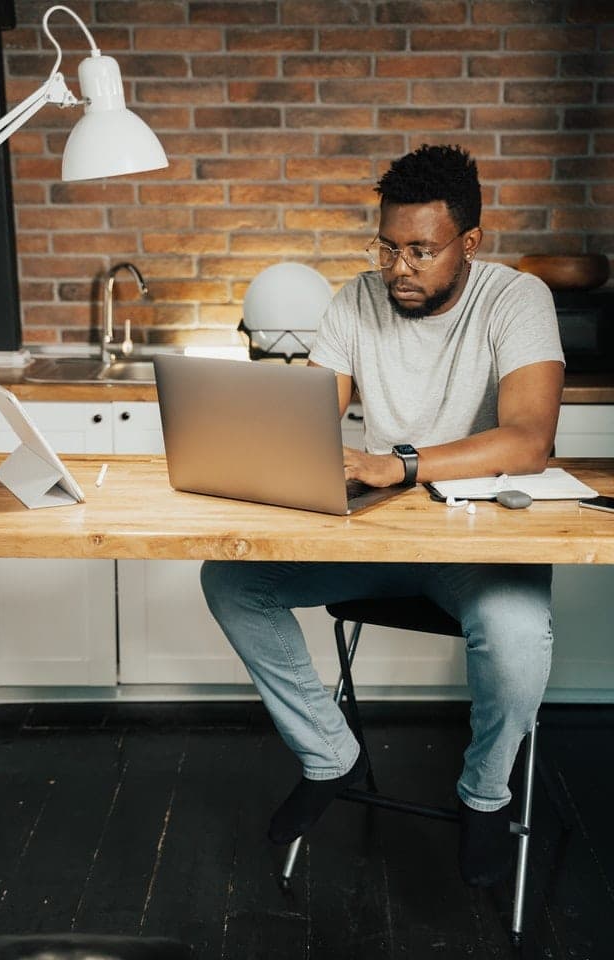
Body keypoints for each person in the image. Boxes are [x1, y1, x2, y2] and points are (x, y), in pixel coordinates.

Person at [201, 143, 564, 887]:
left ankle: (486, 796)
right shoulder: (354, 301)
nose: (399, 268)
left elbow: (529, 441)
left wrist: (395, 464)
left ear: (469, 243)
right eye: (388, 247)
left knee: (520, 634)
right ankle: (330, 755)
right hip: (377, 537)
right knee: (231, 580)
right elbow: (308, 419)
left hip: (478, 548)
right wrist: (251, 438)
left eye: (422, 252)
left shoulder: (517, 298)